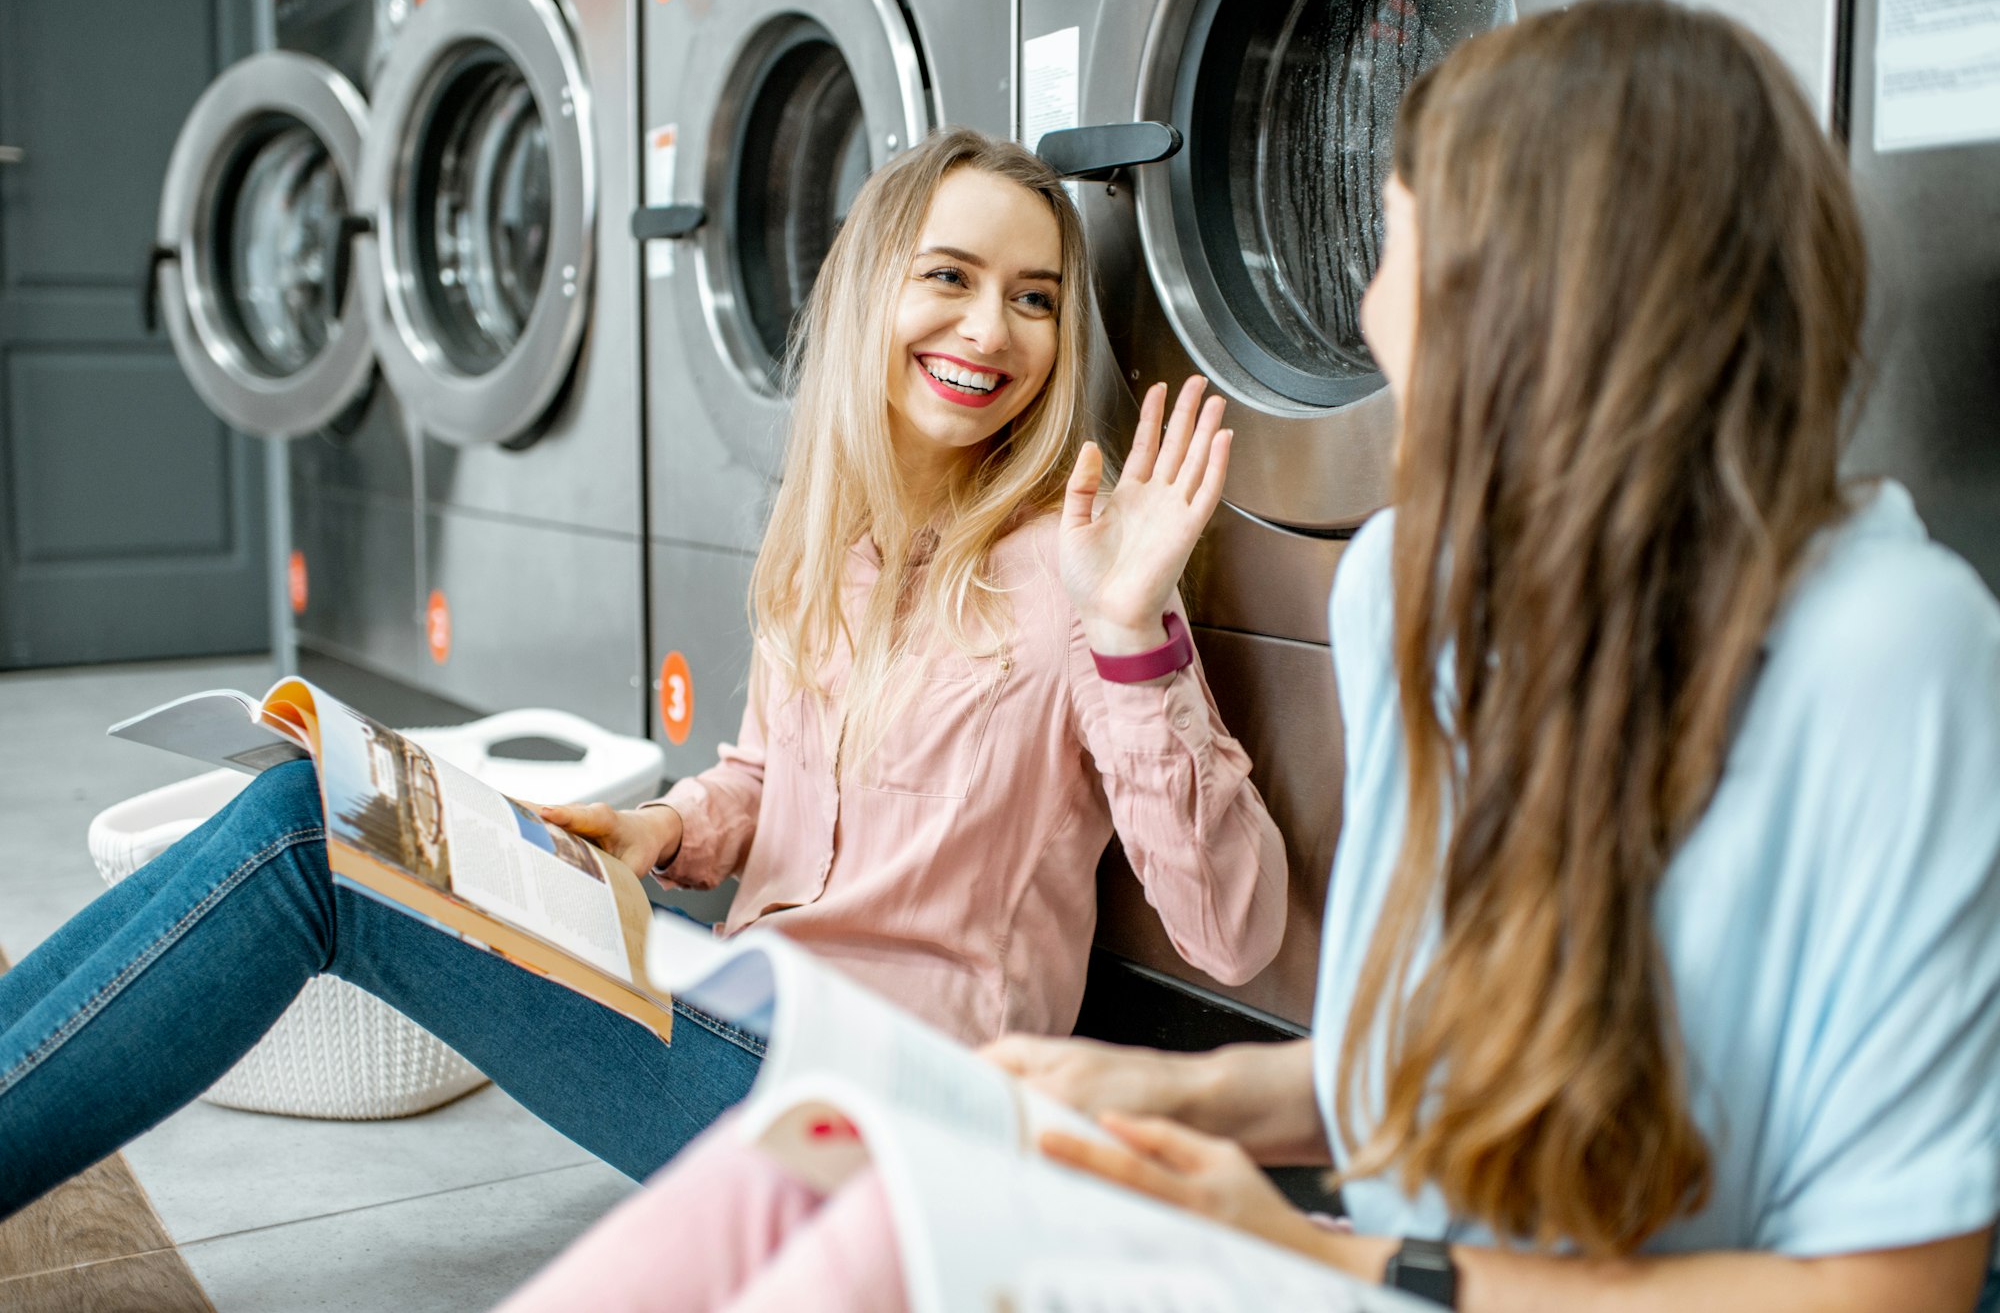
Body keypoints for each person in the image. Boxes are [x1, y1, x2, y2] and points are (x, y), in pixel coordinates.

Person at [494, 0, 2000, 1313]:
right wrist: (1184, 1093)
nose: (1366, 308)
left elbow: (1894, 1285)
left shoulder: (1892, 646)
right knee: (767, 1184)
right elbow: (1429, 1067)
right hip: (1350, 1233)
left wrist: (1338, 1250)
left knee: (841, 1206)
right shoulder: (1416, 578)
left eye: (1398, 248)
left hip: (1406, 1271)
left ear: (1543, 291)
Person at [0, 129, 1287, 1218]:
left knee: (308, 841)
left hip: (879, 1111)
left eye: (1034, 297)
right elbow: (766, 782)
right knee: (327, 803)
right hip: (738, 999)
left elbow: (1232, 937)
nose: (989, 329)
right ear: (867, 293)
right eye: (947, 276)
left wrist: (1130, 630)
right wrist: (661, 828)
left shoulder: (1079, 572)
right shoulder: (832, 537)